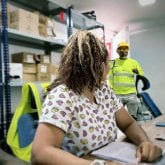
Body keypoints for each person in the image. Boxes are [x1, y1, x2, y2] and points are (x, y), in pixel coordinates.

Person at [31, 31, 162, 165]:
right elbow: (41, 153)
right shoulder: (63, 96)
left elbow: (128, 123)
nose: (109, 68)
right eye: (107, 62)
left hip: (109, 157)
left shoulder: (104, 91)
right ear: (94, 65)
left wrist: (144, 141)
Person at [108, 41, 144, 120]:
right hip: (117, 94)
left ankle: (133, 131)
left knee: (133, 117)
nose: (124, 52)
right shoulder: (113, 63)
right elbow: (110, 77)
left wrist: (137, 72)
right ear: (118, 51)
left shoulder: (133, 62)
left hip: (131, 94)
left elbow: (141, 75)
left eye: (126, 50)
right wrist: (111, 90)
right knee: (117, 118)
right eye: (122, 50)